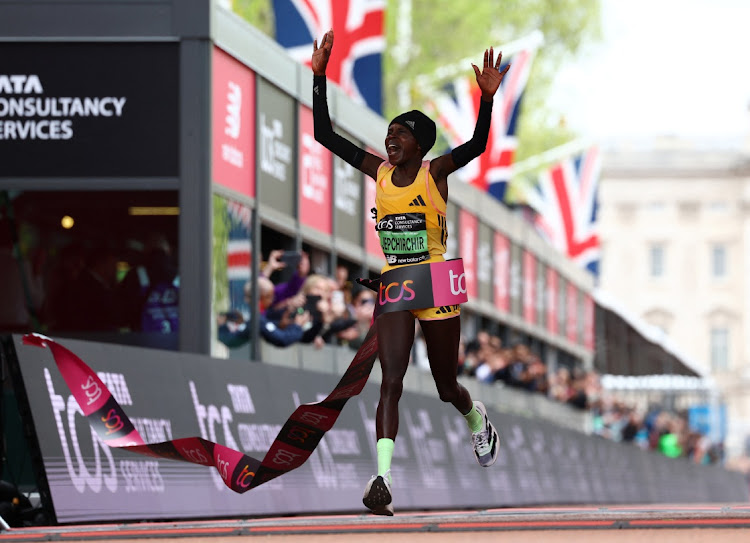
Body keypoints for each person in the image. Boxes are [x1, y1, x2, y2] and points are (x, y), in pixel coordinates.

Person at [312, 30, 509, 515]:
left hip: (437, 280)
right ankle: (382, 477)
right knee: (391, 381)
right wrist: (318, 79)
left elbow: (479, 143)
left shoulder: (434, 172)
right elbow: (324, 135)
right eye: (388, 135)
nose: (389, 141)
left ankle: (474, 417)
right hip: (397, 281)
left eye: (399, 135)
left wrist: (485, 100)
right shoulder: (378, 171)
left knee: (445, 385)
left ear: (420, 143)